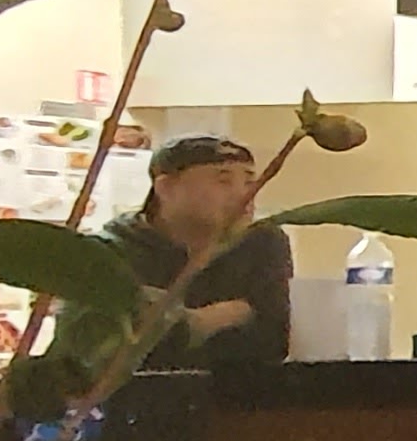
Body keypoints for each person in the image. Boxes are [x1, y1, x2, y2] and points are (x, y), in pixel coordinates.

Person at [100, 132, 292, 368]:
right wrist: (215, 318)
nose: (245, 194)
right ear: (166, 188)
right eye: (223, 181)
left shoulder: (263, 242)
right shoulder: (113, 249)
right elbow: (117, 352)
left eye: (249, 182)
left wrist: (182, 325)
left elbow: (271, 342)